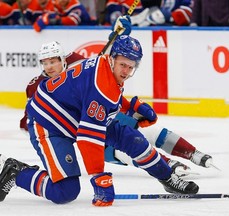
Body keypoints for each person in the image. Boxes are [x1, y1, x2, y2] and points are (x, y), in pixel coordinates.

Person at [0, 25, 199, 207]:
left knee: (135, 141)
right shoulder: (100, 85)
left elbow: (100, 98)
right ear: (112, 58)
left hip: (75, 116)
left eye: (131, 67)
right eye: (123, 65)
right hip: (49, 125)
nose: (126, 71)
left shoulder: (104, 67)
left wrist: (131, 107)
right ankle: (16, 172)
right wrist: (99, 178)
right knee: (65, 192)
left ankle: (167, 178)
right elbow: (88, 139)